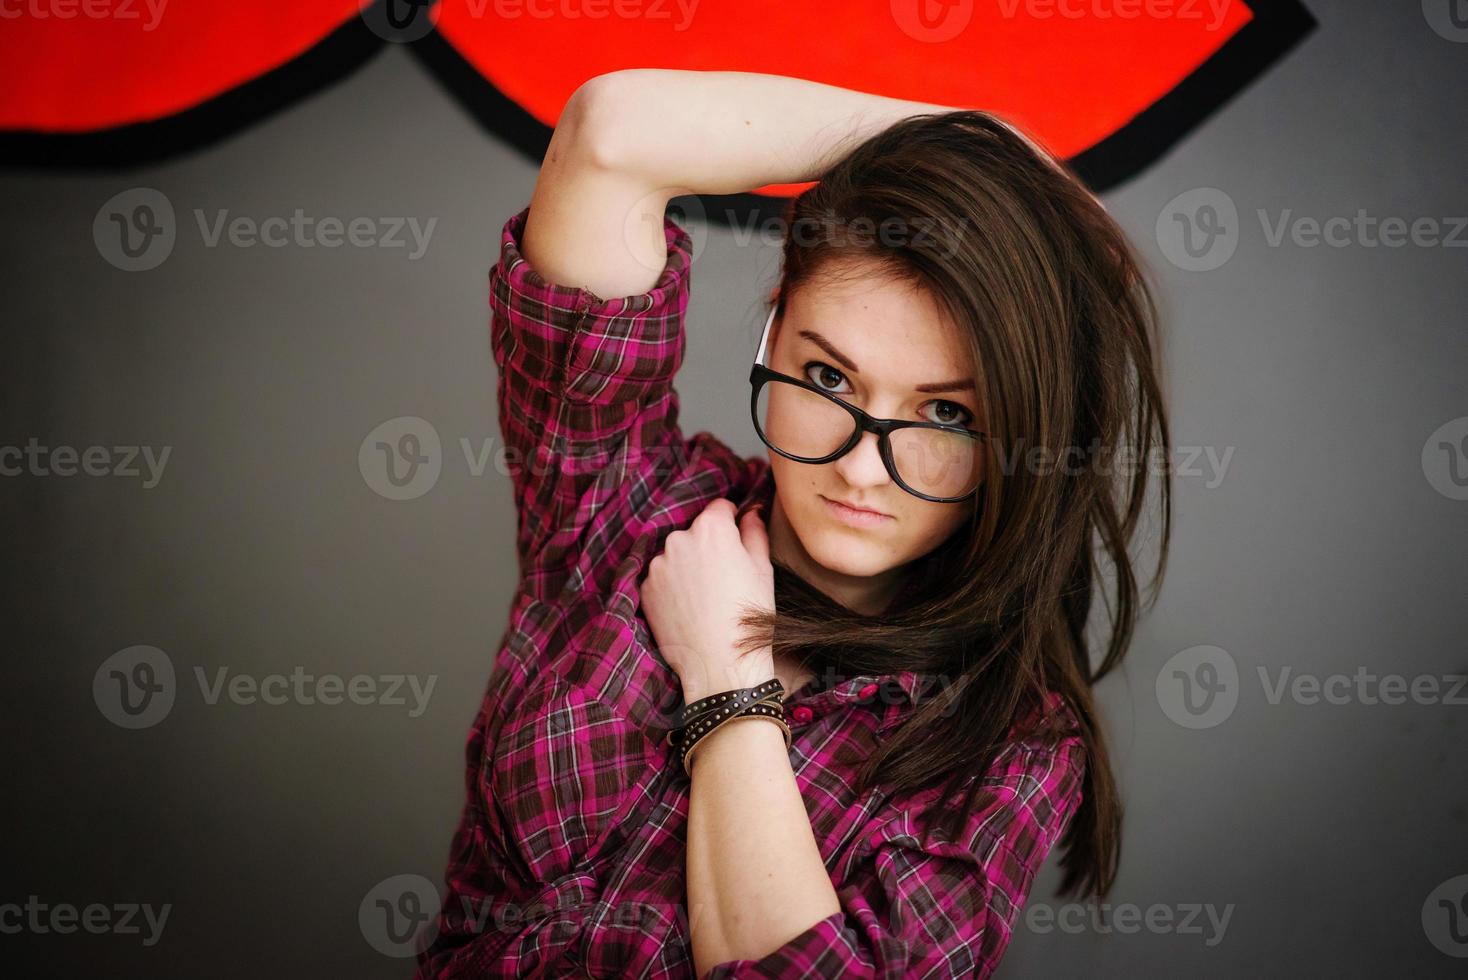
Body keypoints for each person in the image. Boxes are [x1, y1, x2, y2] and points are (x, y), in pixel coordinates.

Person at [416, 68, 1171, 979]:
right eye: (828, 381)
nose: (859, 465)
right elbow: (612, 132)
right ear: (775, 334)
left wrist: (725, 678)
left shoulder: (1008, 748)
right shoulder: (629, 502)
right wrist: (977, 138)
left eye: (945, 416)